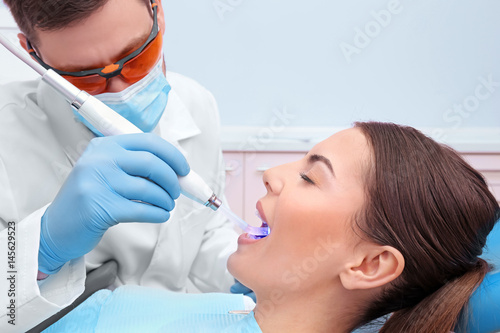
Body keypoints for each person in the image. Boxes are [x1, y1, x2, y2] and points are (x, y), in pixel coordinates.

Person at [39, 122, 500, 332]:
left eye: (309, 177)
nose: (271, 173)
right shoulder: (126, 309)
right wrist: (38, 254)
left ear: (370, 264)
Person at [0, 0, 240, 331]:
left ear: (157, 10)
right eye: (84, 76)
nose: (122, 90)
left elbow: (207, 231)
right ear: (32, 53)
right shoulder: (6, 134)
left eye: (137, 57)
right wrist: (41, 251)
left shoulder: (197, 102)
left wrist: (241, 271)